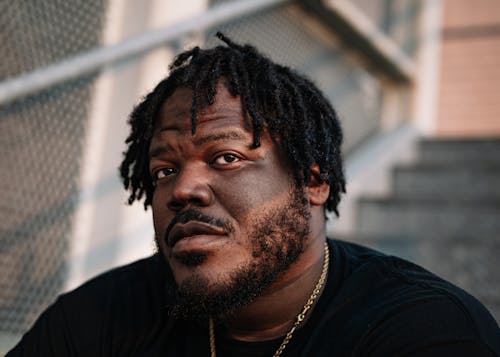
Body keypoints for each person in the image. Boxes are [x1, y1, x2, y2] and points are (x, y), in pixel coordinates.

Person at [7, 33, 499, 357]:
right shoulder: (102, 317)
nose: (182, 189)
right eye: (163, 169)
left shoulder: (421, 331)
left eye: (227, 158)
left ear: (312, 181)